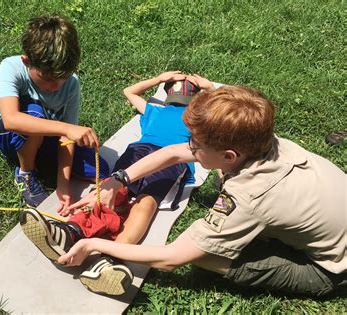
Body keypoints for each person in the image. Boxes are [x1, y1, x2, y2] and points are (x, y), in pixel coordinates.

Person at [59, 85, 346, 297]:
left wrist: (94, 245)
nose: (190, 148)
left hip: (332, 270)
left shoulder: (248, 196)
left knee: (205, 256)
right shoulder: (264, 142)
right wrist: (118, 180)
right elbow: (172, 152)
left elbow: (170, 259)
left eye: (196, 145)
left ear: (230, 155)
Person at [20, 71, 218, 295]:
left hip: (175, 159)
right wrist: (159, 79)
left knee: (145, 203)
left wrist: (207, 87)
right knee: (110, 191)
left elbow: (221, 112)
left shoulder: (198, 119)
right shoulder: (154, 109)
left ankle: (110, 260)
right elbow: (129, 92)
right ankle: (71, 232)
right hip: (139, 151)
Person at [0, 15, 109, 211]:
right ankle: (26, 172)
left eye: (63, 78)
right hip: (8, 136)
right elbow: (11, 120)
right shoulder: (12, 67)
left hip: (46, 135)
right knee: (34, 114)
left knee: (100, 168)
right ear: (27, 61)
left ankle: (38, 159)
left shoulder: (72, 84)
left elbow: (66, 140)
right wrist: (68, 128)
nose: (56, 86)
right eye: (48, 78)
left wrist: (63, 184)